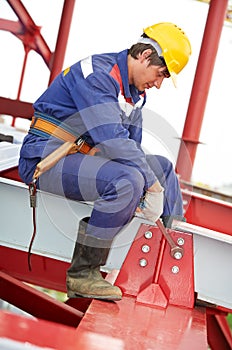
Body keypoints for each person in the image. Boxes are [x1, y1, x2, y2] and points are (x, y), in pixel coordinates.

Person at [19, 22, 191, 301]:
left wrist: (155, 183)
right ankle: (83, 274)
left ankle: (174, 262)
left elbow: (131, 148)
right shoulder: (97, 75)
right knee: (129, 180)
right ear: (145, 55)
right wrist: (150, 187)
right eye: (160, 74)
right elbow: (111, 139)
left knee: (163, 169)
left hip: (81, 160)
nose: (159, 84)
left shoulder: (134, 95)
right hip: (45, 159)